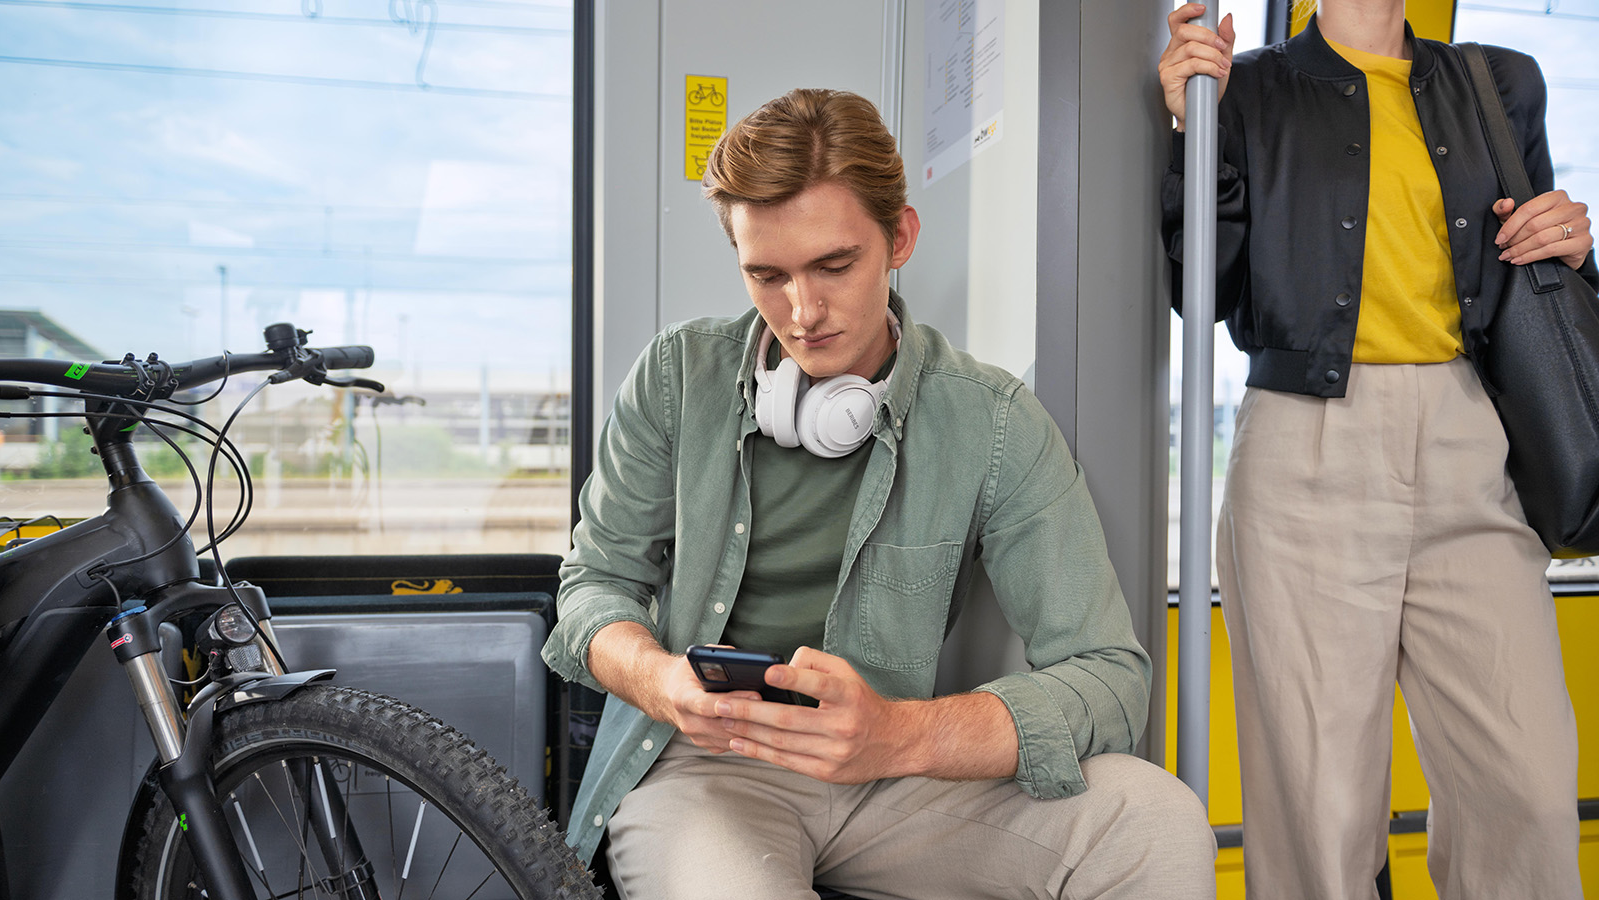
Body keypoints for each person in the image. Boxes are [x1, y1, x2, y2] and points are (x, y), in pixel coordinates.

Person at [542, 87, 1216, 899]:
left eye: (834, 265)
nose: (802, 312)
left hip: (896, 774)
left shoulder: (991, 420)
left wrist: (899, 735)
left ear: (899, 238)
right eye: (767, 275)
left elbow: (1111, 677)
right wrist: (663, 682)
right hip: (706, 773)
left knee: (1156, 820)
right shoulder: (678, 377)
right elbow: (592, 588)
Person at [1159, 2, 1596, 898]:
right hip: (1306, 449)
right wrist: (1187, 127)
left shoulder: (1500, 82)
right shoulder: (1245, 89)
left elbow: (1542, 277)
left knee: (1531, 793)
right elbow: (1201, 287)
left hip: (1473, 440)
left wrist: (1571, 243)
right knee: (1318, 820)